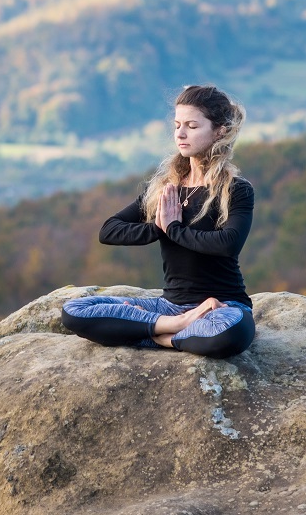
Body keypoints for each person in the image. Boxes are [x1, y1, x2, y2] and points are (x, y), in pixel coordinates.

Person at [61, 84, 255, 359]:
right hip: (169, 308)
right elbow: (109, 231)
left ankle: (152, 334)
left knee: (228, 335)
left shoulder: (235, 189)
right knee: (74, 312)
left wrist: (174, 229)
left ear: (219, 131)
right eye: (177, 125)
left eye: (191, 126)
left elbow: (228, 244)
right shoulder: (167, 188)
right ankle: (175, 329)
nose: (180, 133)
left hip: (222, 307)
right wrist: (158, 227)